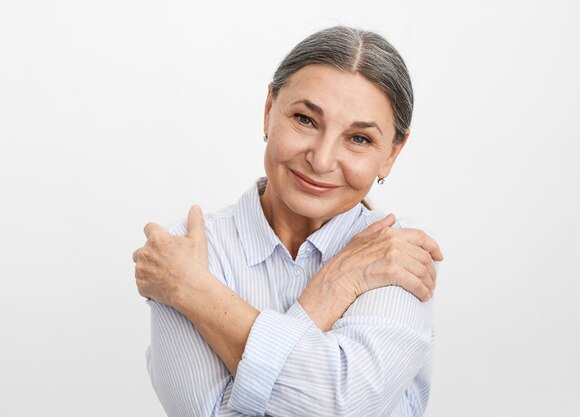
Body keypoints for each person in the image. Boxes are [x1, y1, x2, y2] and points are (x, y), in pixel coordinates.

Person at [133, 26, 444, 417]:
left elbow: (343, 407)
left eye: (359, 139)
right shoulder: (183, 250)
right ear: (268, 111)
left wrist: (196, 293)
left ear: (391, 154)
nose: (322, 159)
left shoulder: (396, 250)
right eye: (305, 119)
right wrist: (335, 289)